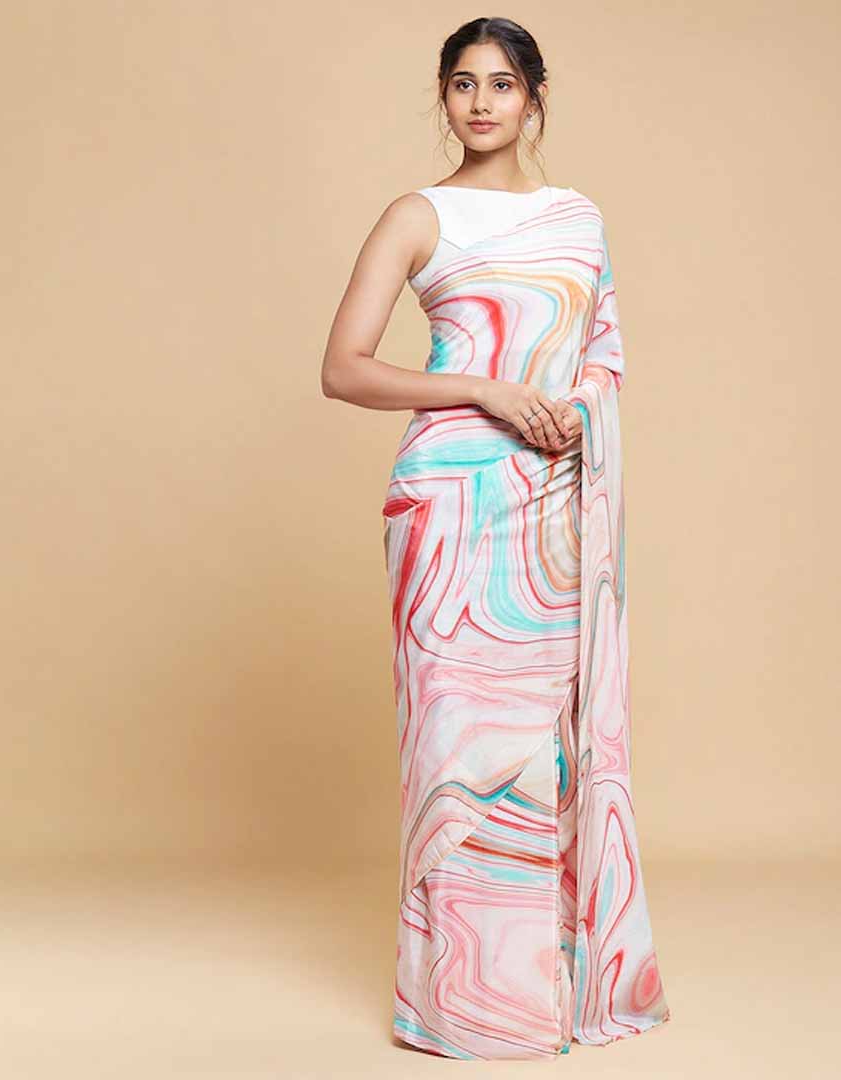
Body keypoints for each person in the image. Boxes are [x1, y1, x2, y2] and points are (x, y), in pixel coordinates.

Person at [320, 16, 670, 1061]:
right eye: (464, 83)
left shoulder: (577, 219)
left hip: (554, 508)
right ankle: (461, 1004)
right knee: (455, 753)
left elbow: (603, 356)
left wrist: (570, 411)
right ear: (445, 97)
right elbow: (344, 368)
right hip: (449, 511)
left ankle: (540, 995)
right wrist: (484, 389)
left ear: (535, 97)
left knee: (543, 750)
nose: (481, 102)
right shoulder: (417, 217)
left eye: (502, 83)